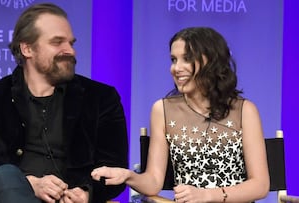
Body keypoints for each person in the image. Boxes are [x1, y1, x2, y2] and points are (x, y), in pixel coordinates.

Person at [0, 3, 128, 203]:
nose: (70, 51)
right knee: (6, 176)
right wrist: (29, 184)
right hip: (6, 196)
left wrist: (86, 192)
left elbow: (114, 168)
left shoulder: (101, 98)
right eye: (58, 42)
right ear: (27, 48)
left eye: (71, 43)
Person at [92, 27, 269, 202]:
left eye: (187, 59)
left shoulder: (245, 111)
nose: (176, 68)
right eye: (173, 59)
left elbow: (260, 185)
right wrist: (127, 175)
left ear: (212, 61)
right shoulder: (162, 110)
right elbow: (153, 181)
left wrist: (207, 195)